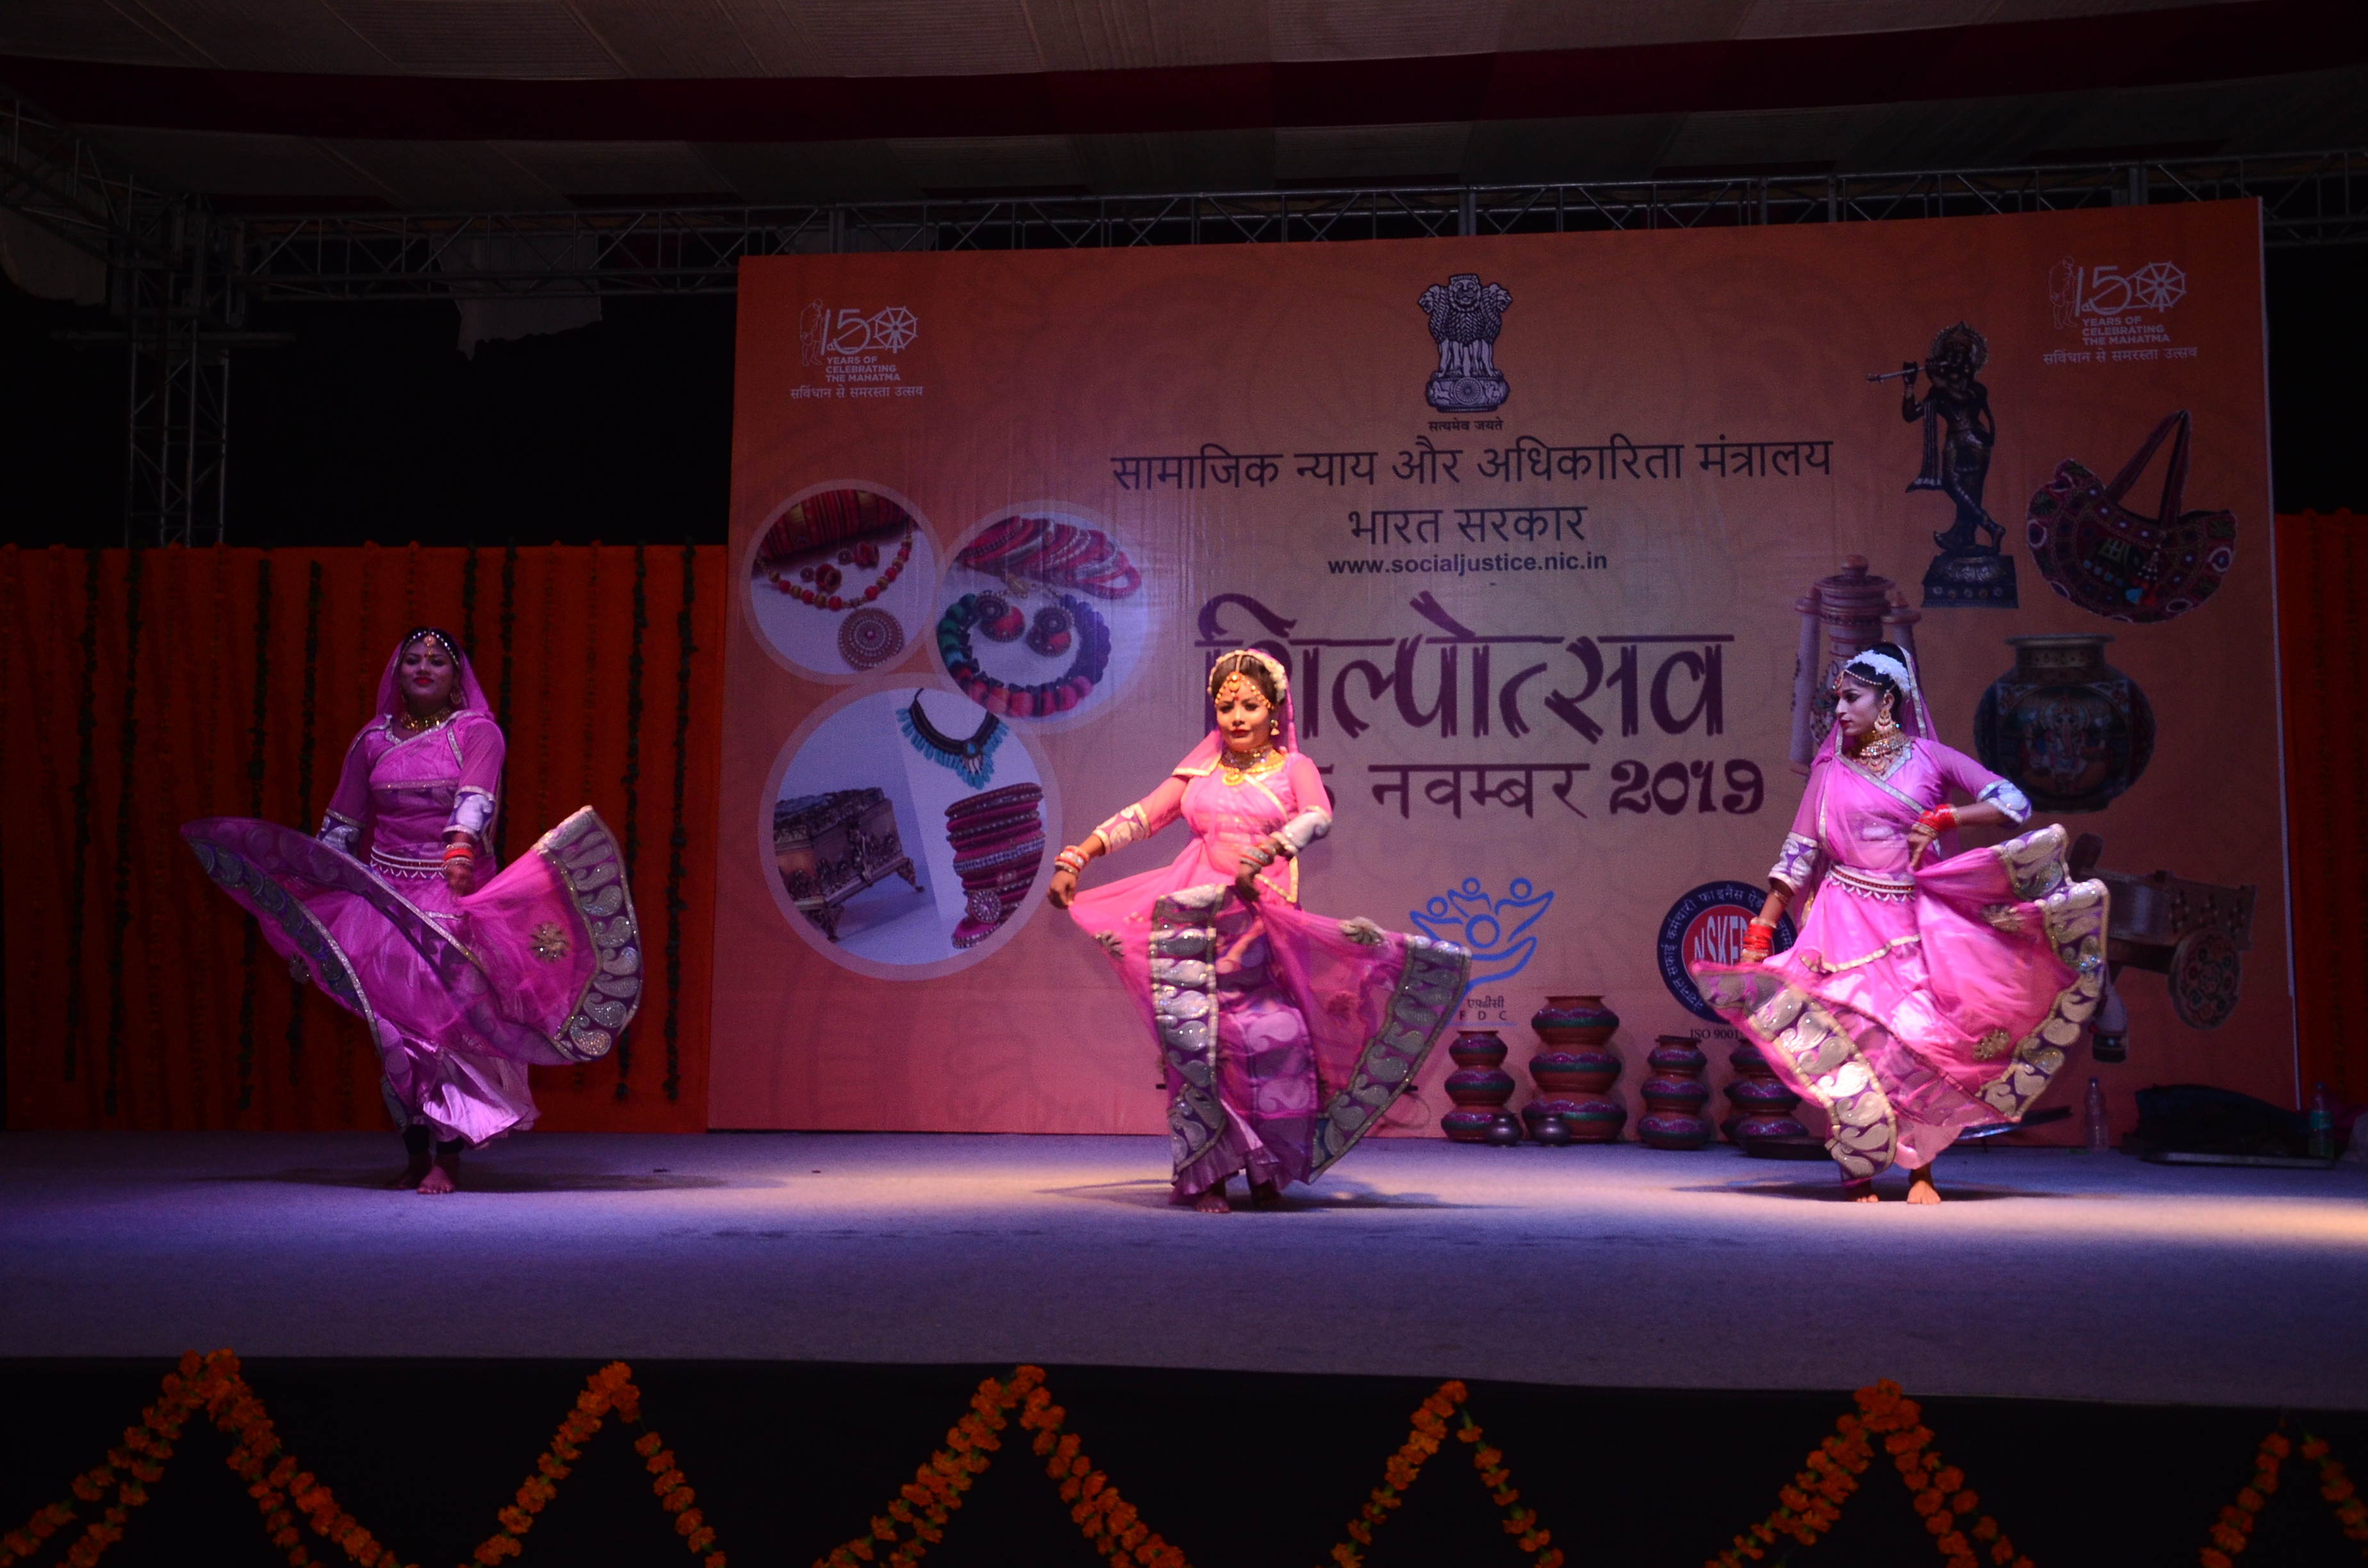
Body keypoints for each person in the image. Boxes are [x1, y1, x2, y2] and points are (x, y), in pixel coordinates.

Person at [184, 630, 642, 1193]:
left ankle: (448, 1157)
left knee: (440, 1030)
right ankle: (415, 1152)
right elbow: (341, 827)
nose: (424, 667)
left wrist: (460, 848)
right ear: (396, 673)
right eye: (413, 659)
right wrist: (314, 906)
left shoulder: (476, 733)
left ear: (457, 677)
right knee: (392, 1033)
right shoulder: (372, 741)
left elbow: (474, 800)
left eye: (438, 661)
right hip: (381, 897)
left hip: (449, 894)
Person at [1047, 649, 1469, 1212]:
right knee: (1198, 1044)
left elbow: (1318, 816)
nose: (1237, 717)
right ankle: (1207, 1175)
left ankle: (1266, 1165)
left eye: (1250, 706)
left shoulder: (1294, 768)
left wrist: (1267, 852)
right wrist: (1077, 858)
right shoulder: (1200, 772)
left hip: (1260, 926)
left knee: (1276, 1039)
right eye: (1227, 708)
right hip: (1193, 923)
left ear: (1275, 711)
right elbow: (1142, 817)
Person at [1693, 643, 2106, 1202]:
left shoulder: (1932, 759)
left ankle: (1921, 1169)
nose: (1840, 710)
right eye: (1837, 699)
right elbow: (1798, 856)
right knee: (1850, 1044)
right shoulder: (1830, 770)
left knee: (1921, 1042)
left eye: (1852, 698)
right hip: (1842, 920)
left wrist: (1947, 816)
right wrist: (1760, 932)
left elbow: (2012, 802)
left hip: (1914, 922)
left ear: (1886, 701)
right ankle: (1858, 1168)